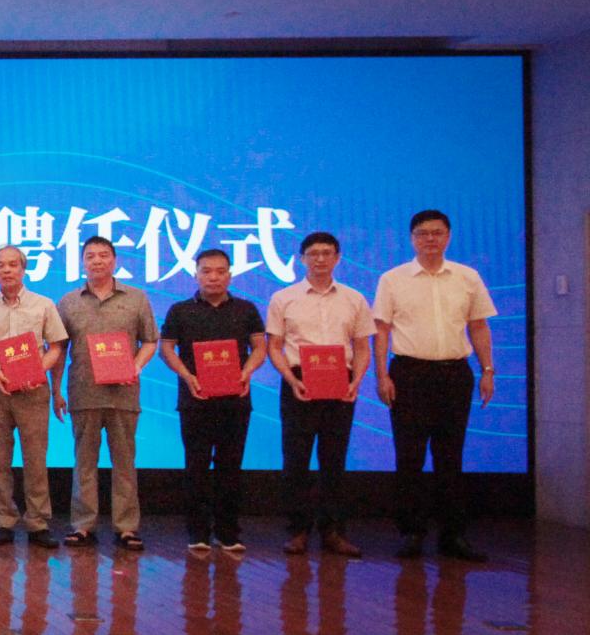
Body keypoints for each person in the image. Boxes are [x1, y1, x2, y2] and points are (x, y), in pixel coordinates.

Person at [374, 210, 498, 563]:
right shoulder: (393, 279)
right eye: (423, 233)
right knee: (409, 456)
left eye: (437, 232)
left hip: (454, 373)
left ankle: (452, 535)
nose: (430, 239)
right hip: (409, 374)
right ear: (412, 238)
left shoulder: (467, 277)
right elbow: (381, 330)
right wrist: (381, 375)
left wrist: (487, 370)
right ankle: (411, 533)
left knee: (450, 456)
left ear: (448, 236)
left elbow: (478, 326)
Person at [266, 231, 375, 558]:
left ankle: (333, 531)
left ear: (337, 258)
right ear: (302, 259)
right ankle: (298, 531)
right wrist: (290, 379)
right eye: (313, 253)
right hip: (299, 380)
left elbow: (362, 347)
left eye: (327, 253)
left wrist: (356, 381)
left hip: (341, 381)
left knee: (334, 460)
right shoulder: (284, 298)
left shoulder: (354, 299)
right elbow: (274, 346)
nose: (320, 259)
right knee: (295, 460)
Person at [158, 249, 266, 553]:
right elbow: (166, 349)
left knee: (230, 467)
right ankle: (198, 532)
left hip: (236, 399)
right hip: (195, 399)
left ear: (229, 275)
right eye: (206, 271)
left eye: (220, 271)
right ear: (196, 274)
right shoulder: (180, 310)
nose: (213, 277)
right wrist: (186, 376)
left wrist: (246, 372)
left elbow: (260, 347)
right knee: (196, 466)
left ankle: (228, 532)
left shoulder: (246, 309)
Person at [55, 235, 157, 551]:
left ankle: (126, 527)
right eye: (90, 256)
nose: (97, 261)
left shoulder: (136, 298)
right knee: (84, 462)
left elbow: (150, 340)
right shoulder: (68, 302)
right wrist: (55, 389)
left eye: (103, 255)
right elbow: (58, 349)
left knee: (124, 462)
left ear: (114, 260)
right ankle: (83, 525)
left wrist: (134, 367)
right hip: (83, 392)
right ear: (82, 262)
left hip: (124, 395)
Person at [0, 245, 67, 549]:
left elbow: (56, 347)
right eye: (0, 265)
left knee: (35, 458)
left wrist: (36, 372)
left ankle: (38, 522)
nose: (6, 270)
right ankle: (4, 521)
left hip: (33, 391)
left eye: (12, 264)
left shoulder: (44, 305)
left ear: (23, 269)